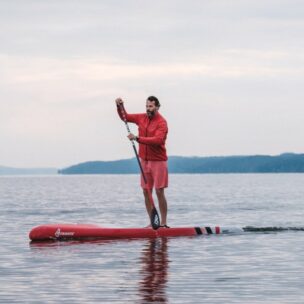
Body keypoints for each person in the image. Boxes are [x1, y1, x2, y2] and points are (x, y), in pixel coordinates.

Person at [116, 96, 169, 228]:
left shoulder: (162, 123)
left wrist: (138, 138)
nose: (148, 109)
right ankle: (153, 223)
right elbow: (125, 117)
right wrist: (120, 106)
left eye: (150, 106)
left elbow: (158, 140)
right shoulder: (141, 118)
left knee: (159, 191)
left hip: (158, 161)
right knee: (146, 191)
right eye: (146, 106)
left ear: (157, 107)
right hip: (144, 161)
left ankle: (163, 223)